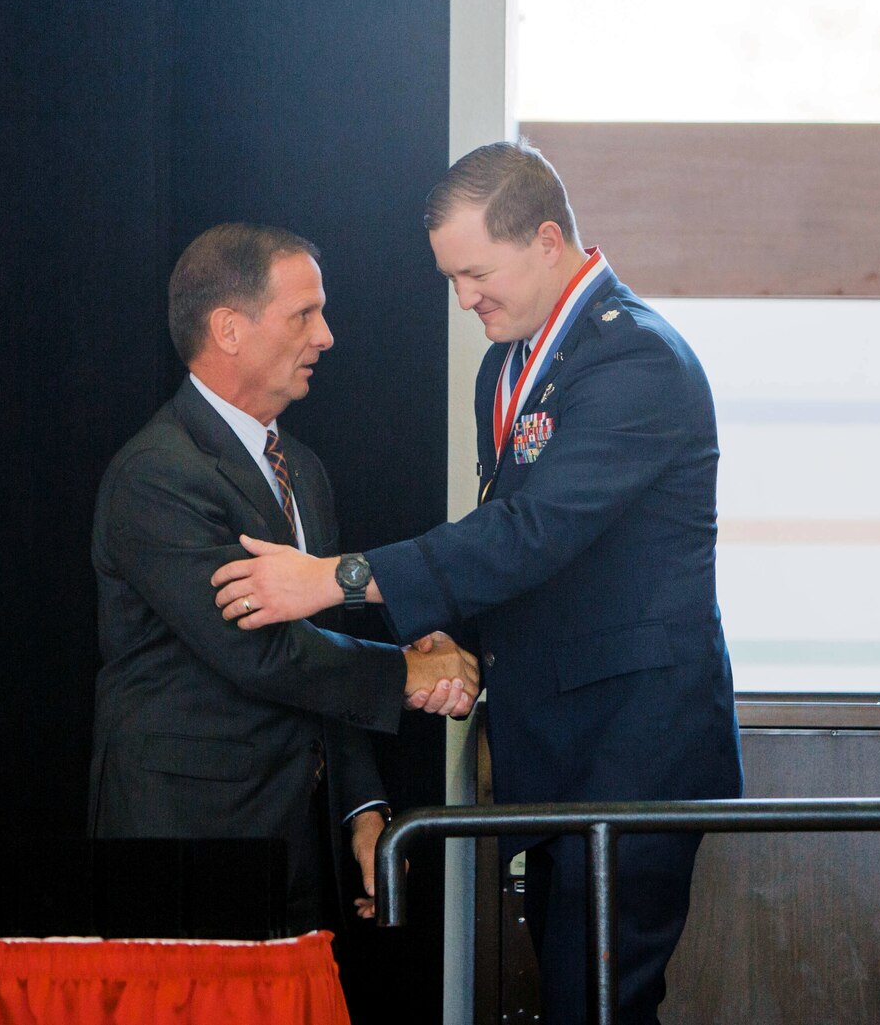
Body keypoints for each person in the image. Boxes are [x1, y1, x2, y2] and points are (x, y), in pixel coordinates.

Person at [210, 143, 742, 1023]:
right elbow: (517, 548)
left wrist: (334, 580)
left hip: (633, 752)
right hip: (554, 750)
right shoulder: (510, 364)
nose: (464, 300)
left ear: (544, 239)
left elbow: (532, 533)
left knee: (599, 1002)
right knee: (570, 990)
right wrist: (446, 630)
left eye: (476, 273)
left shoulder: (636, 359)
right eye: (450, 279)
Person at [89, 222, 479, 934]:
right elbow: (258, 649)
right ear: (229, 329)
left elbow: (323, 647)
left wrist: (363, 808)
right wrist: (410, 675)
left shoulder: (301, 468)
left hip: (301, 840)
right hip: (190, 841)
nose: (326, 335)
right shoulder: (157, 476)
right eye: (304, 314)